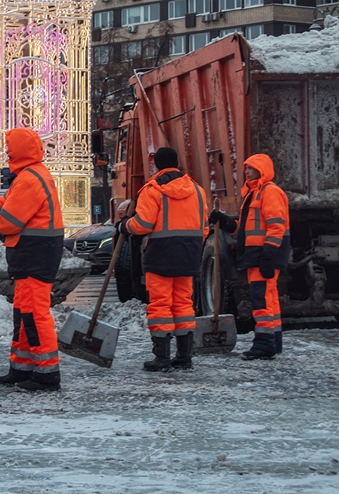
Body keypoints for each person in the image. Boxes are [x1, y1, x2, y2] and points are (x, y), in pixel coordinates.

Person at [0, 128, 65, 392]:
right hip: (33, 253)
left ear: (17, 151)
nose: (6, 152)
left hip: (35, 253)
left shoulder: (29, 178)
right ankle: (21, 368)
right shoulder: (29, 175)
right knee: (24, 313)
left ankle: (47, 375)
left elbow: (10, 221)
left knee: (34, 313)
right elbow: (11, 202)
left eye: (9, 147)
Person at [118, 147, 209, 371]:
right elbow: (203, 228)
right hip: (189, 253)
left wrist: (124, 226)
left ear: (156, 165)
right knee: (183, 303)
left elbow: (143, 224)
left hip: (160, 253)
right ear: (177, 163)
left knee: (160, 304)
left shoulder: (152, 190)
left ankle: (162, 357)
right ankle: (185, 356)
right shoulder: (197, 190)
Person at [209, 153, 290, 360]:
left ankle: (264, 344)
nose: (247, 171)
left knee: (261, 299)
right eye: (246, 167)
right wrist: (225, 222)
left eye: (251, 168)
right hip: (258, 254)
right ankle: (273, 341)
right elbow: (244, 230)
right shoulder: (253, 194)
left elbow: (276, 226)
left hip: (263, 254)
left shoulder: (269, 192)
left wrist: (268, 255)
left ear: (261, 170)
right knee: (268, 299)